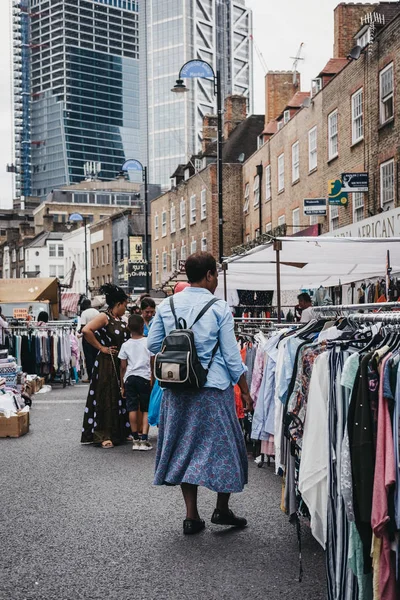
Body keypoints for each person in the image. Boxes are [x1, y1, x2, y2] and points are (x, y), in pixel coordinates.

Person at [148, 252, 253, 535]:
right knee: (223, 447)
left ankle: (191, 516)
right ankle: (221, 508)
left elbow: (153, 344)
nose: (216, 280)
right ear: (208, 275)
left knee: (184, 447)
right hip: (212, 389)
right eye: (216, 275)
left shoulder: (167, 305)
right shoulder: (219, 308)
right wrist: (243, 390)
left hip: (177, 388)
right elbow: (232, 356)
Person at [81, 283, 129, 448]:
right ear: (118, 304)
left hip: (119, 362)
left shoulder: (121, 319)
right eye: (125, 305)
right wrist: (101, 348)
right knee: (106, 397)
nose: (126, 308)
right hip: (107, 363)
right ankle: (103, 434)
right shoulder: (104, 317)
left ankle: (120, 432)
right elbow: (87, 330)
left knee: (118, 396)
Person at [119, 314, 154, 451]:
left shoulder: (125, 345)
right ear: (142, 327)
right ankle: (144, 439)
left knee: (132, 408)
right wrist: (152, 378)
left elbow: (123, 366)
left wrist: (122, 385)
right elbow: (152, 362)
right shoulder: (148, 342)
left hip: (130, 378)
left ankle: (135, 439)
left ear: (128, 328)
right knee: (145, 409)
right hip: (144, 377)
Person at [79, 299, 100, 380]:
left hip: (87, 336)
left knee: (88, 357)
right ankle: (97, 375)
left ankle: (90, 377)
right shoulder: (96, 312)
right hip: (97, 335)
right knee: (96, 356)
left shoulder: (84, 313)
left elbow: (83, 326)